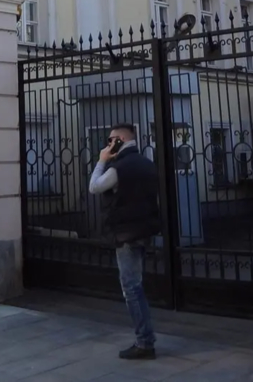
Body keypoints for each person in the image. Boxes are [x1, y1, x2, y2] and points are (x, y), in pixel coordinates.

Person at [88, 123, 160, 360]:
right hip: (144, 230)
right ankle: (145, 339)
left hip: (126, 233)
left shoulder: (120, 167)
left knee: (131, 287)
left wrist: (101, 160)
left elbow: (95, 187)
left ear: (119, 140)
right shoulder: (147, 163)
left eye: (110, 140)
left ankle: (144, 342)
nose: (108, 144)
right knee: (136, 284)